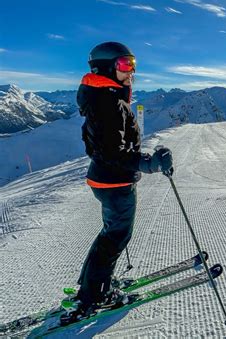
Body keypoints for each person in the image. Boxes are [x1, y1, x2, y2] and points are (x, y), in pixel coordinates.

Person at [68, 42, 173, 320]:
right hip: (114, 182)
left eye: (133, 65)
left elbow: (107, 146)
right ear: (105, 66)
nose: (132, 71)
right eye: (125, 65)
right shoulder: (107, 102)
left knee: (110, 234)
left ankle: (90, 286)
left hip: (106, 179)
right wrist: (149, 163)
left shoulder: (103, 97)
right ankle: (97, 294)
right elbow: (112, 152)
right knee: (116, 237)